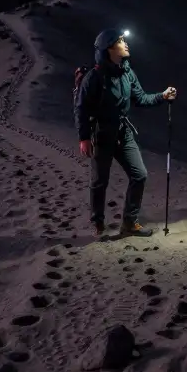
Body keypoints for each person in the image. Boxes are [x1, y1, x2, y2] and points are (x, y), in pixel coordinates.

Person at [74, 28, 177, 238]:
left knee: (139, 175)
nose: (126, 43)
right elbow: (81, 109)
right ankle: (98, 224)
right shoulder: (93, 78)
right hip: (101, 134)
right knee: (100, 181)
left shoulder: (127, 72)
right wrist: (84, 138)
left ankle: (129, 223)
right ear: (109, 48)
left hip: (123, 132)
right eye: (121, 41)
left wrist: (162, 96)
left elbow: (140, 98)